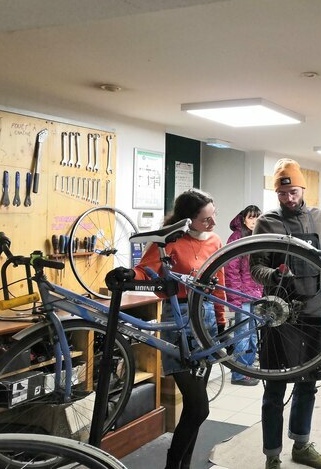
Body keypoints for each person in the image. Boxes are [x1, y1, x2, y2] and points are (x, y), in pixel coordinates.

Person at [251, 158, 321, 469]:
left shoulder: (318, 218)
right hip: (280, 315)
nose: (289, 199)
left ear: (303, 188)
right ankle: (272, 456)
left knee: (308, 382)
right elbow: (254, 267)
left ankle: (301, 444)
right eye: (283, 194)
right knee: (275, 386)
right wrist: (274, 275)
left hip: (315, 312)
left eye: (294, 192)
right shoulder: (267, 222)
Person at [133, 189, 225, 469]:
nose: (212, 225)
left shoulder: (215, 240)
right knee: (199, 406)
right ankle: (173, 465)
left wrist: (222, 322)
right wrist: (128, 277)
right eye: (205, 220)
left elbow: (218, 284)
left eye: (213, 217)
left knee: (194, 410)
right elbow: (144, 271)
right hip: (179, 319)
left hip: (206, 318)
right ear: (187, 220)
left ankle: (182, 466)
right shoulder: (170, 241)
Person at [223, 204, 262, 386]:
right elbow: (230, 271)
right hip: (242, 296)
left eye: (256, 217)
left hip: (255, 294)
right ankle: (238, 374)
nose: (254, 221)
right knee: (242, 334)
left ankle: (247, 369)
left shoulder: (257, 237)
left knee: (252, 334)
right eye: (250, 217)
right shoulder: (236, 238)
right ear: (243, 218)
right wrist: (235, 298)